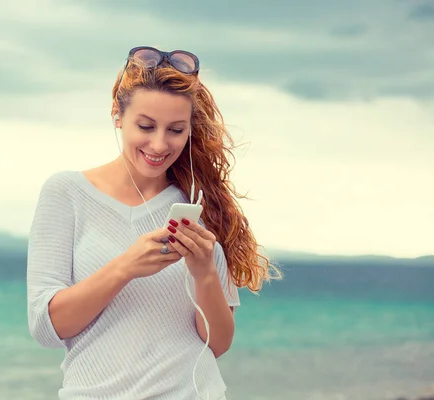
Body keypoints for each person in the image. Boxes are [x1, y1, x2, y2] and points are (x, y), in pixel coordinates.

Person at [27, 46, 281, 400]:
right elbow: (46, 328)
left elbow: (218, 344)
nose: (160, 144)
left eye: (176, 130)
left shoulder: (197, 207)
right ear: (118, 115)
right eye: (145, 126)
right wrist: (125, 267)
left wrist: (205, 271)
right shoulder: (66, 192)